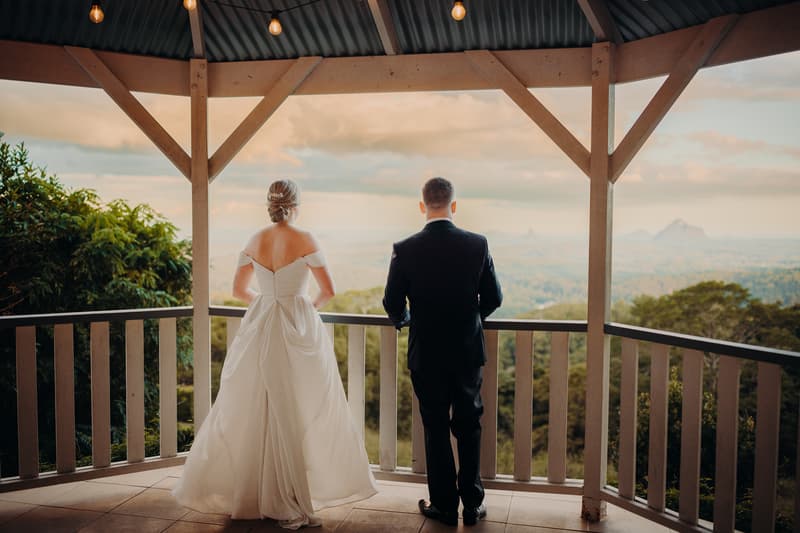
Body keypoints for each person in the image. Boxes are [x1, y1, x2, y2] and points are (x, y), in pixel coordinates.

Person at [174, 179, 377, 529]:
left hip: (261, 323)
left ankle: (251, 494)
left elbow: (240, 290)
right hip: (294, 325)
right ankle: (290, 492)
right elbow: (328, 290)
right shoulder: (306, 239)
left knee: (254, 404)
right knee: (296, 403)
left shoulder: (254, 239)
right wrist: (302, 307)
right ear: (296, 203)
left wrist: (267, 302)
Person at [383, 177, 502, 527]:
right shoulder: (477, 245)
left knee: (434, 427)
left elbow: (392, 302)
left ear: (422, 206)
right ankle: (473, 505)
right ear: (454, 204)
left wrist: (408, 319)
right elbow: (493, 298)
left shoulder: (404, 248)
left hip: (427, 354)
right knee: (469, 426)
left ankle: (444, 507)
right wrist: (470, 320)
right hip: (466, 351)